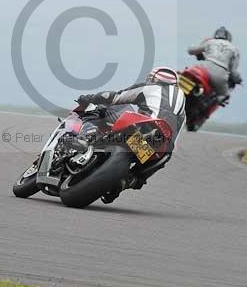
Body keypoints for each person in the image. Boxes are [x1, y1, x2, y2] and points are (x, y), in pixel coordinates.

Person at [74, 66, 186, 203]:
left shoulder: (149, 88)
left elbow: (113, 97)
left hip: (141, 129)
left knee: (105, 107)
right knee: (155, 163)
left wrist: (88, 98)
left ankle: (84, 138)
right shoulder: (182, 106)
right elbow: (175, 136)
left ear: (152, 79)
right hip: (159, 148)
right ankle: (126, 182)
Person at [187, 26, 242, 106]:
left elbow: (192, 51)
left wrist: (191, 48)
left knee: (187, 75)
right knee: (223, 97)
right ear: (229, 37)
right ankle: (202, 113)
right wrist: (238, 79)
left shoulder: (210, 42)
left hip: (203, 68)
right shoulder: (234, 50)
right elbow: (233, 71)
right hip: (220, 75)